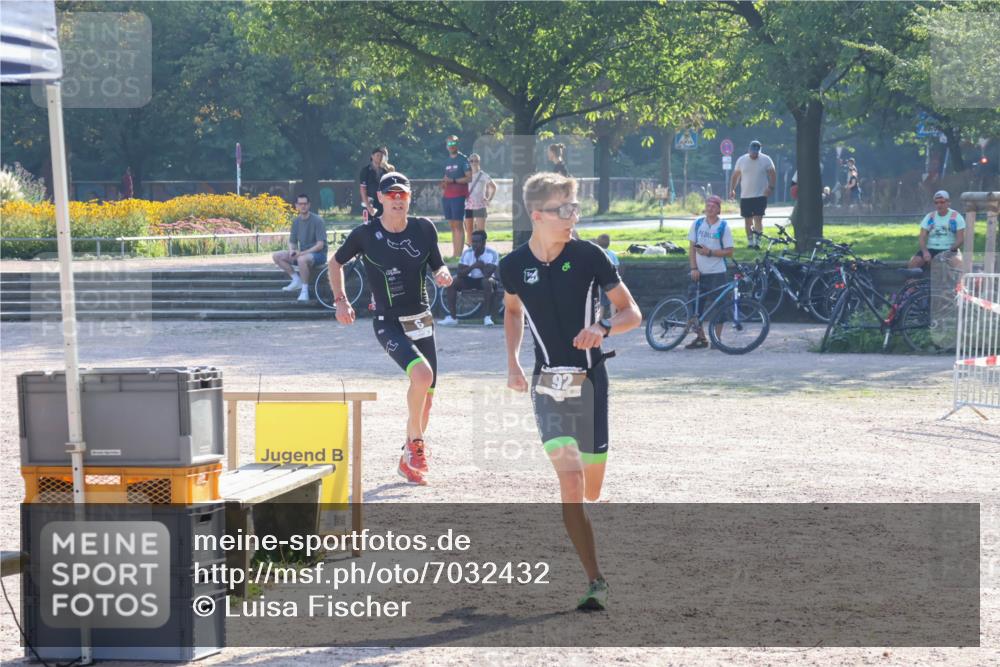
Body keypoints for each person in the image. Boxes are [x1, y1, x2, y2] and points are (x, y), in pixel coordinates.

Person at [499, 171, 642, 611]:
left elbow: (631, 312)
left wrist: (602, 327)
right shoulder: (512, 266)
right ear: (537, 215)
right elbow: (512, 312)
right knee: (572, 479)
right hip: (546, 384)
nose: (573, 216)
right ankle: (595, 580)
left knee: (592, 487)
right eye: (565, 210)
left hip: (590, 381)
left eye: (575, 207)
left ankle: (592, 556)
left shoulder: (590, 256)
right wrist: (512, 362)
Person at [329, 172, 453, 485]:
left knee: (426, 398)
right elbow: (335, 263)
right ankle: (416, 446)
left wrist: (443, 273)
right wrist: (341, 301)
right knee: (422, 376)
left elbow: (438, 263)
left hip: (422, 320)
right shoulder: (365, 234)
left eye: (403, 194)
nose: (398, 200)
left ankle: (407, 461)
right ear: (380, 199)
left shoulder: (424, 229)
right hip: (389, 322)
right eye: (391, 194)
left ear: (409, 198)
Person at [685, 195, 734, 349]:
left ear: (719, 209)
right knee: (694, 306)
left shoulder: (723, 227)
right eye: (708, 205)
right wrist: (693, 268)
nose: (710, 208)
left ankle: (716, 339)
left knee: (720, 307)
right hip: (699, 272)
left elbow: (729, 251)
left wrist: (711, 252)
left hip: (717, 273)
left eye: (713, 206)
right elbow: (693, 246)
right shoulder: (698, 223)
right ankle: (701, 338)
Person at [272, 194, 328, 302]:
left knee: (301, 259)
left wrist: (301, 254)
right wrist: (292, 250)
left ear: (309, 205)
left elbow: (320, 245)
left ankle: (304, 291)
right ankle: (296, 280)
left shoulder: (318, 221)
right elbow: (292, 242)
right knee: (277, 256)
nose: (303, 206)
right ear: (296, 206)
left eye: (305, 204)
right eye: (300, 204)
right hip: (302, 254)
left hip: (319, 255)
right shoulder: (296, 221)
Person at [440, 229, 500, 327]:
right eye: (473, 241)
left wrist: (480, 265)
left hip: (487, 281)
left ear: (484, 242)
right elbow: (459, 273)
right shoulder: (467, 253)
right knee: (451, 282)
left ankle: (487, 317)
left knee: (486, 281)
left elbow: (487, 274)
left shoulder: (492, 254)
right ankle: (453, 318)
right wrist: (474, 265)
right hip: (470, 280)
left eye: (477, 242)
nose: (474, 244)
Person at [729, 140, 775, 249]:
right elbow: (735, 176)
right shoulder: (742, 160)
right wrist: (732, 189)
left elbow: (772, 174)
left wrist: (771, 187)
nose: (754, 154)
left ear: (759, 151)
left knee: (758, 218)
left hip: (760, 194)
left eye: (756, 152)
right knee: (748, 219)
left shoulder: (766, 159)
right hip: (746, 195)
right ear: (749, 150)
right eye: (752, 151)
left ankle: (758, 241)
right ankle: (750, 241)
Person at [908, 190, 965, 270]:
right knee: (914, 262)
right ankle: (913, 282)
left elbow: (960, 239)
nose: (939, 205)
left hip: (949, 249)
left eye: (942, 202)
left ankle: (959, 282)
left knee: (958, 263)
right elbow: (922, 237)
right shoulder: (930, 216)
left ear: (948, 203)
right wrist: (925, 252)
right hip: (931, 249)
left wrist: (948, 251)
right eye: (936, 203)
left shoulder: (956, 216)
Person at [441, 135, 472, 258]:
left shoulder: (463, 160)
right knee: (452, 225)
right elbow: (445, 178)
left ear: (457, 144)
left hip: (459, 196)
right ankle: (454, 254)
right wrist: (444, 184)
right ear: (446, 146)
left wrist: (453, 180)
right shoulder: (446, 161)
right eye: (449, 144)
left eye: (453, 143)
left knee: (458, 225)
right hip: (447, 196)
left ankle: (459, 255)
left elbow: (469, 177)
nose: (451, 146)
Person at [464, 153, 496, 237]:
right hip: (468, 206)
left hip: (480, 205)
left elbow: (494, 187)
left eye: (476, 161)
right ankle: (471, 248)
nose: (474, 163)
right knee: (469, 231)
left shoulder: (483, 175)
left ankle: (481, 248)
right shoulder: (465, 175)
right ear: (469, 162)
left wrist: (489, 199)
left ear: (479, 162)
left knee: (481, 231)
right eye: (471, 161)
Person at [358, 147, 394, 219]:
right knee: (369, 226)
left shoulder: (387, 170)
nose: (380, 158)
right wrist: (368, 206)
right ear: (372, 156)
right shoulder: (365, 171)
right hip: (370, 203)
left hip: (383, 203)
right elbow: (363, 190)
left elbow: (391, 185)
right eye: (377, 155)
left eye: (381, 156)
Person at [594, 234, 620, 316]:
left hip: (601, 281)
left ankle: (599, 317)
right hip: (612, 281)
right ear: (609, 243)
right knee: (613, 300)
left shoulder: (597, 254)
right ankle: (613, 316)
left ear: (598, 243)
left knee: (601, 302)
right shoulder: (612, 254)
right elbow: (616, 265)